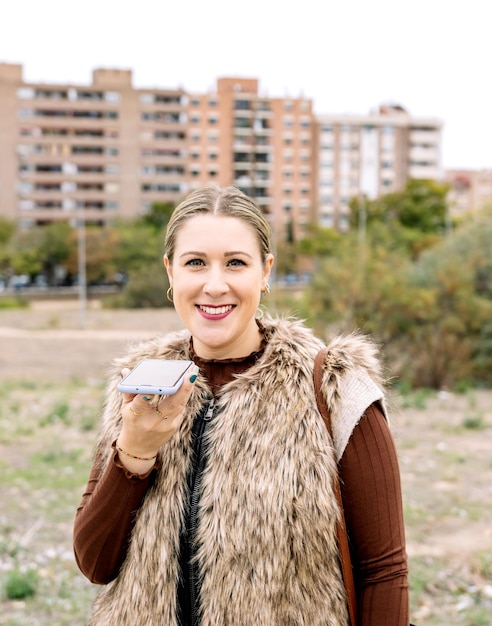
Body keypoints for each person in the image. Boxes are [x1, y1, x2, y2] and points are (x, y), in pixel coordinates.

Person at [73, 185, 409, 626]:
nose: (215, 285)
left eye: (235, 262)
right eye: (195, 263)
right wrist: (133, 455)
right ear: (170, 272)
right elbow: (95, 564)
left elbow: (384, 570)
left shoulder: (334, 386)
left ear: (265, 272)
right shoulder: (138, 384)